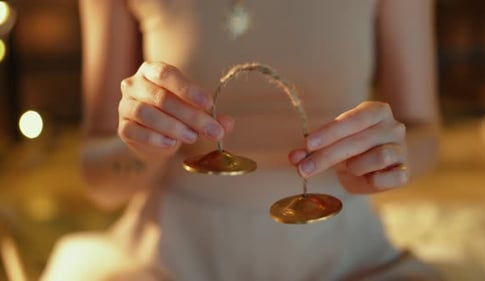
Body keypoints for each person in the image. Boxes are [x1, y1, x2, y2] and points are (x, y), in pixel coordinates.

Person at [78, 0, 442, 280]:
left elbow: (424, 135)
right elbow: (98, 181)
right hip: (168, 254)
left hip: (345, 255)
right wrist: (144, 150)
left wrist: (385, 156)